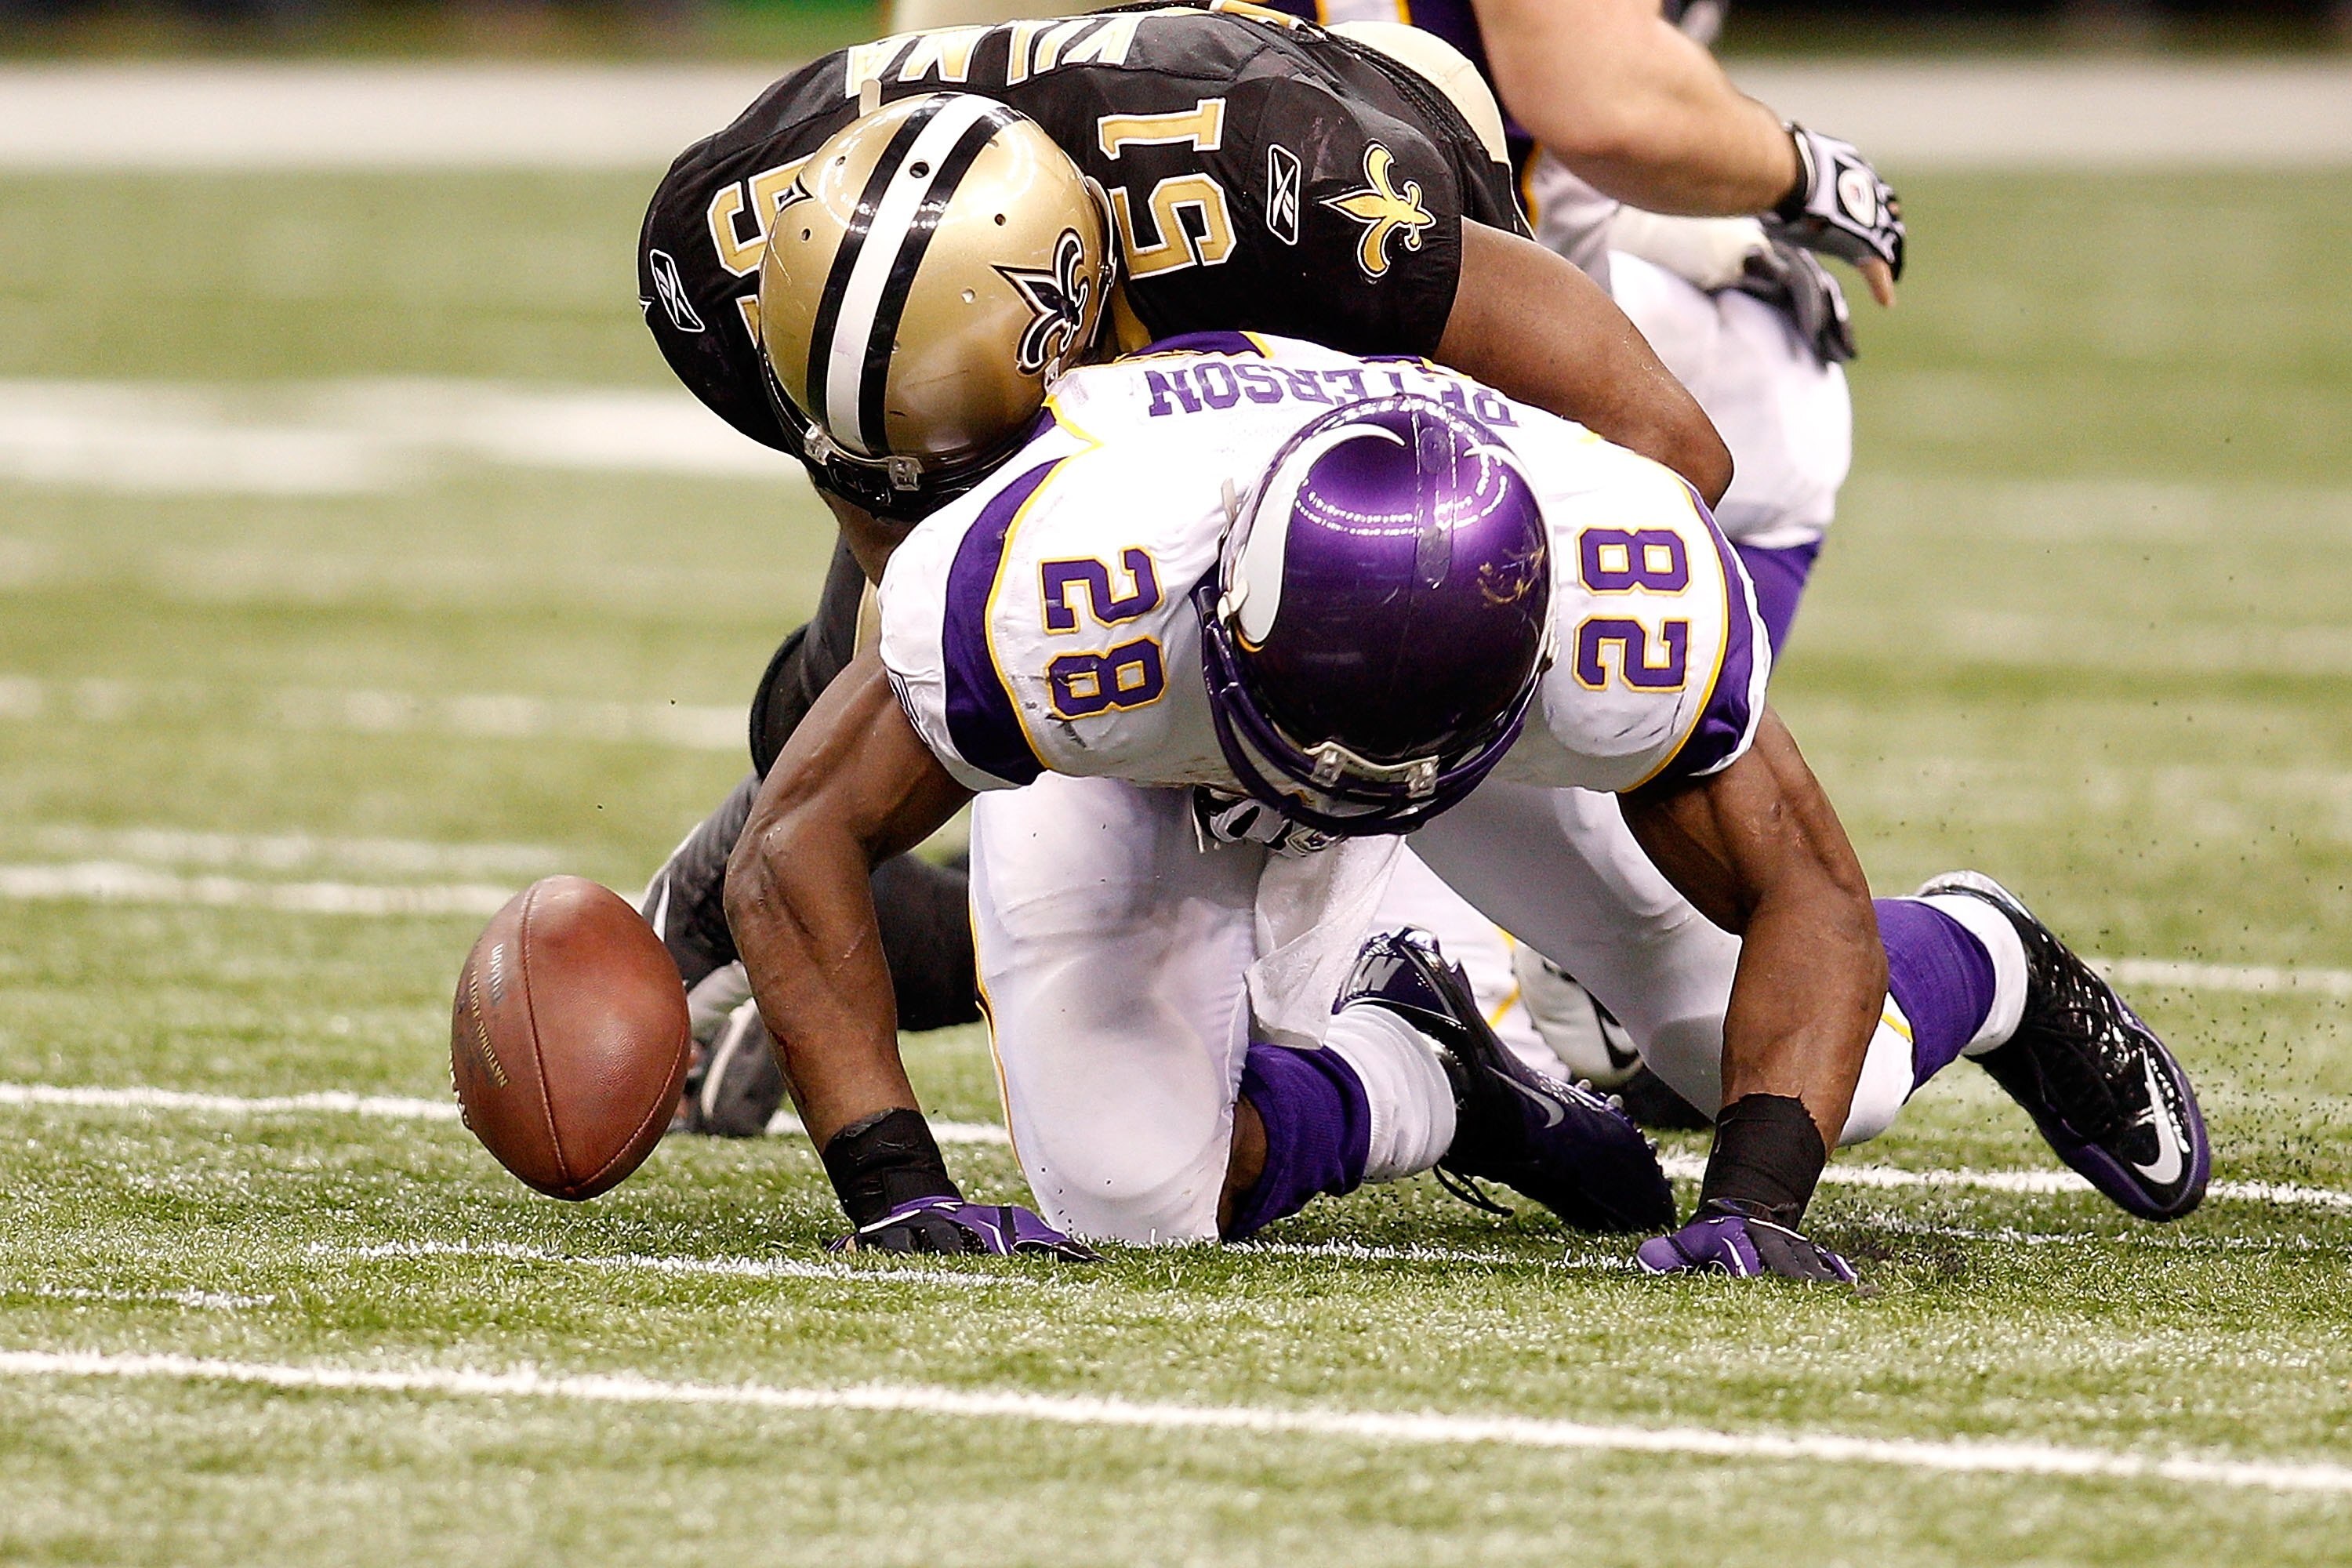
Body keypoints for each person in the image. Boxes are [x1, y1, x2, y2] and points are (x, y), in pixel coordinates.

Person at [722, 333, 2210, 1279]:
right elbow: (797, 844)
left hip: (1465, 742)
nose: (1345, 807)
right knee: (1126, 1200)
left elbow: (1802, 896)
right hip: (1158, 747)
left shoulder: (1615, 597)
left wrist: (1754, 1206)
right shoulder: (1065, 593)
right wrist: (892, 1186)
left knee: (1825, 1078)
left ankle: (1990, 957)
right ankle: (1422, 1075)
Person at [636, 1, 1761, 1131]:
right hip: (1065, 230)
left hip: (1335, 152)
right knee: (907, 661)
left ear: (1079, 320)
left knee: (1330, 703)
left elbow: (1667, 446)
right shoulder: (706, 256)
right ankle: (731, 879)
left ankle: (1437, 1014)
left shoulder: (1305, 199)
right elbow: (894, 536)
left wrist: (1478, 645)